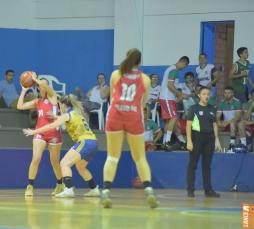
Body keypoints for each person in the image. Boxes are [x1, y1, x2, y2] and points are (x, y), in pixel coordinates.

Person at [101, 48, 158, 209]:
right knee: (140, 158)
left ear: (126, 58)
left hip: (115, 116)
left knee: (112, 157)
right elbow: (143, 102)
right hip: (133, 117)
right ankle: (149, 190)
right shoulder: (145, 79)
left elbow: (112, 97)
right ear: (139, 62)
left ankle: (105, 192)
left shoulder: (115, 75)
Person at [23, 94, 100, 198]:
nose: (59, 107)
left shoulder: (67, 115)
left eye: (59, 105)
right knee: (80, 167)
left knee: (64, 163)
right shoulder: (75, 113)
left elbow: (51, 126)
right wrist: (56, 117)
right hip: (93, 142)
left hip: (84, 142)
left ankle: (69, 189)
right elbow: (66, 118)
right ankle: (94, 189)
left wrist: (34, 131)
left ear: (63, 104)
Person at [17, 73, 63, 197]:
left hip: (54, 133)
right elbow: (19, 106)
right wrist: (23, 90)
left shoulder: (53, 97)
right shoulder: (37, 101)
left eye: (43, 84)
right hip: (40, 132)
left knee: (55, 162)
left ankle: (60, 184)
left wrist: (35, 79)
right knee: (36, 158)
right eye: (39, 85)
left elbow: (42, 84)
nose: (41, 86)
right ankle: (30, 186)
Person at [186, 86, 222, 198]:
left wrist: (217, 140)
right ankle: (190, 190)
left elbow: (214, 125)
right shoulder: (193, 108)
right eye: (204, 94)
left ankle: (208, 190)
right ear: (199, 95)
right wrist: (189, 141)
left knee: (207, 166)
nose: (206, 96)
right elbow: (188, 125)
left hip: (209, 139)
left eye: (208, 94)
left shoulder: (212, 108)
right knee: (193, 165)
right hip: (197, 138)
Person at [159, 56, 190, 149]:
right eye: (185, 66)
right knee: (174, 117)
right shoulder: (174, 70)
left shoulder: (171, 69)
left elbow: (171, 86)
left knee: (171, 121)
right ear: (183, 62)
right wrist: (180, 94)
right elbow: (170, 86)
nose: (184, 68)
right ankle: (167, 141)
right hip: (167, 98)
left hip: (166, 98)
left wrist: (180, 95)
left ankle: (181, 142)